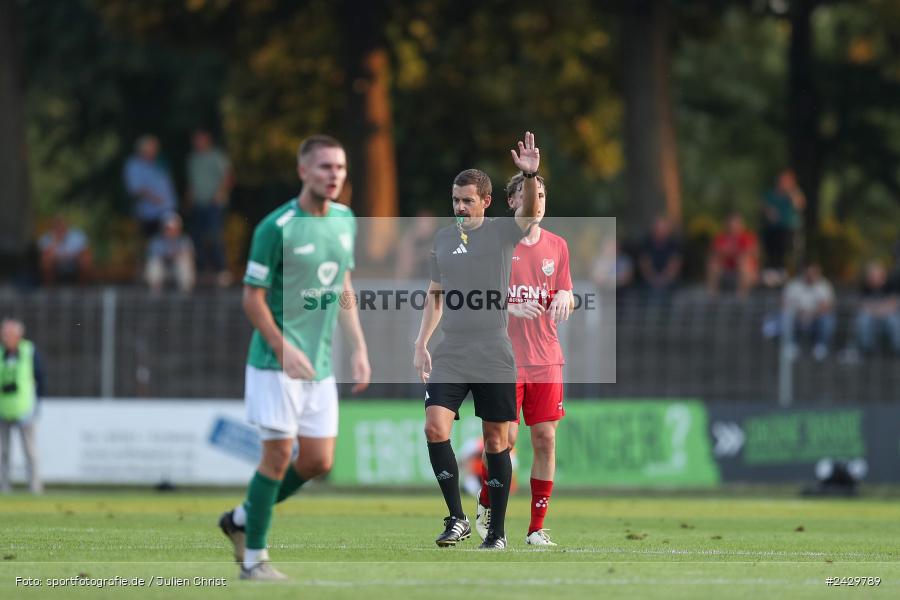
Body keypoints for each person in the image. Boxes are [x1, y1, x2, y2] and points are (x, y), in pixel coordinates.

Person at [218, 135, 370, 580]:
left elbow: (343, 285)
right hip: (274, 363)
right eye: (324, 167)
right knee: (278, 456)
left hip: (319, 365)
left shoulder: (345, 220)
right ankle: (254, 560)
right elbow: (252, 299)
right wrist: (284, 348)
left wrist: (358, 346)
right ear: (303, 171)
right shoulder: (276, 226)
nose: (334, 175)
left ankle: (242, 518)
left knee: (319, 462)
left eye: (339, 167)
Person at [413, 131, 541, 550]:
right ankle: (456, 519)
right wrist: (421, 342)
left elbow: (530, 213)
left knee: (495, 442)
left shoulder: (503, 234)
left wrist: (530, 176)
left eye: (467, 200)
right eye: (455, 200)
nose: (460, 208)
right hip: (451, 348)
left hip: (492, 350)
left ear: (486, 201)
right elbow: (435, 293)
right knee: (435, 428)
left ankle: (498, 534)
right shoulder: (444, 239)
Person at [474, 172, 573, 547]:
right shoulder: (497, 244)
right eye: (532, 194)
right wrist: (509, 305)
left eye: (543, 194)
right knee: (506, 439)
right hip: (504, 359)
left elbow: (566, 289)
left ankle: (536, 528)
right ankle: (487, 501)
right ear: (513, 202)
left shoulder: (558, 246)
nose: (539, 201)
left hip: (546, 358)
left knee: (545, 439)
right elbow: (475, 297)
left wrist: (567, 297)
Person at [0, 318, 45, 494]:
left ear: (18, 335)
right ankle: (3, 487)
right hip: (3, 408)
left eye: (8, 333)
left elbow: (40, 377)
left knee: (30, 452)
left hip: (25, 409)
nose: (5, 337)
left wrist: (38, 402)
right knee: (3, 452)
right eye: (4, 333)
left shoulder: (28, 351)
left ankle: (35, 487)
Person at [186, 130, 234, 287]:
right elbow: (192, 182)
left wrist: (220, 194)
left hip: (214, 203)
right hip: (198, 203)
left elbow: (228, 176)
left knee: (214, 235)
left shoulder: (216, 156)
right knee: (197, 237)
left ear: (207, 140)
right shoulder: (193, 159)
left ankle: (222, 270)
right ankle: (202, 270)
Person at [124, 135, 178, 238]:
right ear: (143, 149)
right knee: (155, 245)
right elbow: (135, 189)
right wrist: (153, 197)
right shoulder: (133, 165)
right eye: (152, 148)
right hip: (150, 214)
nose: (155, 151)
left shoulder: (159, 162)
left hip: (168, 211)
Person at [782, 263, 836, 361]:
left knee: (827, 319)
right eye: (809, 273)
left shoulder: (824, 286)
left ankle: (821, 346)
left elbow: (827, 307)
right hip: (798, 317)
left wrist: (811, 314)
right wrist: (800, 313)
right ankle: (790, 345)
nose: (811, 276)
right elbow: (785, 303)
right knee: (786, 316)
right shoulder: (794, 285)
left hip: (816, 318)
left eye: (814, 273)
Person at [761, 169, 805, 286]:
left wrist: (791, 193)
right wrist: (769, 212)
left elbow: (799, 205)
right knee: (770, 239)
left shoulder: (795, 193)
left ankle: (783, 269)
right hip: (773, 228)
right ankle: (772, 269)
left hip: (789, 227)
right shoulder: (771, 194)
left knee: (785, 240)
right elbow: (764, 207)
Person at [707, 213, 759, 298]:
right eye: (730, 224)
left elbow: (752, 253)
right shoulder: (721, 238)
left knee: (742, 260)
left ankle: (741, 296)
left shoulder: (747, 237)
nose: (732, 226)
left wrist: (730, 253)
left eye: (735, 223)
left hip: (747, 273)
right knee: (713, 263)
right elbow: (715, 253)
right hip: (726, 271)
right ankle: (712, 295)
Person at [855, 261, 900, 356]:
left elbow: (893, 305)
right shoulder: (865, 286)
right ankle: (867, 349)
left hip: (887, 315)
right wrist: (879, 308)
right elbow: (863, 306)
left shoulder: (891, 284)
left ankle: (897, 349)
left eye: (876, 274)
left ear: (882, 275)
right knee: (863, 320)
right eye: (872, 275)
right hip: (872, 315)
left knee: (894, 321)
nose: (874, 277)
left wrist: (876, 308)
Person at [145, 213, 196, 293]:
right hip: (162, 269)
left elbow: (190, 256)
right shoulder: (156, 241)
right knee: (154, 263)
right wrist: (169, 255)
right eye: (168, 228)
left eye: (174, 228)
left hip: (178, 269)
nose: (171, 231)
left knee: (184, 263)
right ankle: (155, 294)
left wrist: (176, 256)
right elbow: (153, 255)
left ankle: (185, 294)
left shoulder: (184, 240)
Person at [38, 216, 92, 285]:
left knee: (86, 260)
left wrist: (70, 256)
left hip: (74, 262)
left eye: (61, 225)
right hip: (56, 264)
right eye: (57, 226)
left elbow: (85, 252)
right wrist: (56, 241)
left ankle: (83, 287)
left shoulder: (77, 236)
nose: (60, 228)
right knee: (46, 262)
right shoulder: (46, 238)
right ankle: (49, 288)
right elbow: (46, 255)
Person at [637, 215, 682, 298]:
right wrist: (653, 278)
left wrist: (664, 279)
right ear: (653, 228)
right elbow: (644, 264)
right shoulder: (646, 243)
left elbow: (675, 264)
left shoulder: (674, 244)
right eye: (659, 227)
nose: (661, 230)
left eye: (664, 227)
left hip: (669, 280)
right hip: (649, 280)